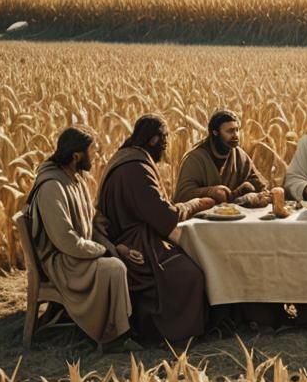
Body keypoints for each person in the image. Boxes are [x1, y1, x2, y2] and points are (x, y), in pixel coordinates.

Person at [97, 115, 212, 347]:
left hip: (127, 236)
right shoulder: (136, 169)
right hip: (135, 244)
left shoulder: (125, 157)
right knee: (189, 274)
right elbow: (164, 217)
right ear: (153, 139)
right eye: (165, 139)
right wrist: (195, 204)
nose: (166, 145)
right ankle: (168, 333)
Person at [26, 126, 136, 350]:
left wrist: (110, 243)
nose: (95, 156)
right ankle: (113, 336)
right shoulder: (52, 186)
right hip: (61, 261)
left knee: (120, 258)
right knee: (114, 268)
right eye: (92, 151)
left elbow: (87, 222)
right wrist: (103, 251)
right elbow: (66, 240)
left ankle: (122, 328)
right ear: (76, 156)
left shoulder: (75, 178)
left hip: (75, 253)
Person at [174, 109, 270, 207]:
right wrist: (210, 191)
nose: (236, 135)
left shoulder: (239, 155)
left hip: (234, 215)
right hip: (203, 218)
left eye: (237, 130)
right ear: (215, 133)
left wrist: (262, 194)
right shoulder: (195, 159)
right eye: (230, 131)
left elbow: (258, 182)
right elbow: (182, 195)